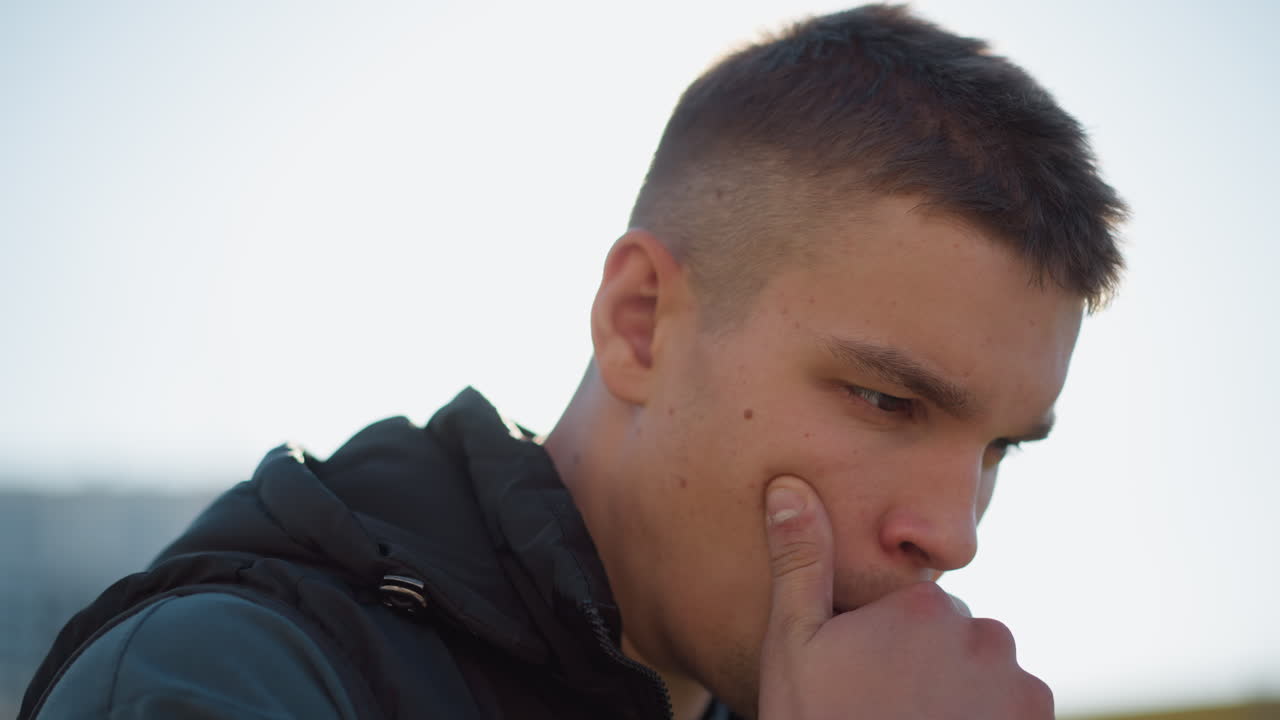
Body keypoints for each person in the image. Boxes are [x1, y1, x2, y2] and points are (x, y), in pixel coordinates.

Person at [21, 4, 1126, 719]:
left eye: (997, 449)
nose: (953, 532)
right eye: (885, 398)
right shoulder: (229, 679)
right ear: (639, 321)